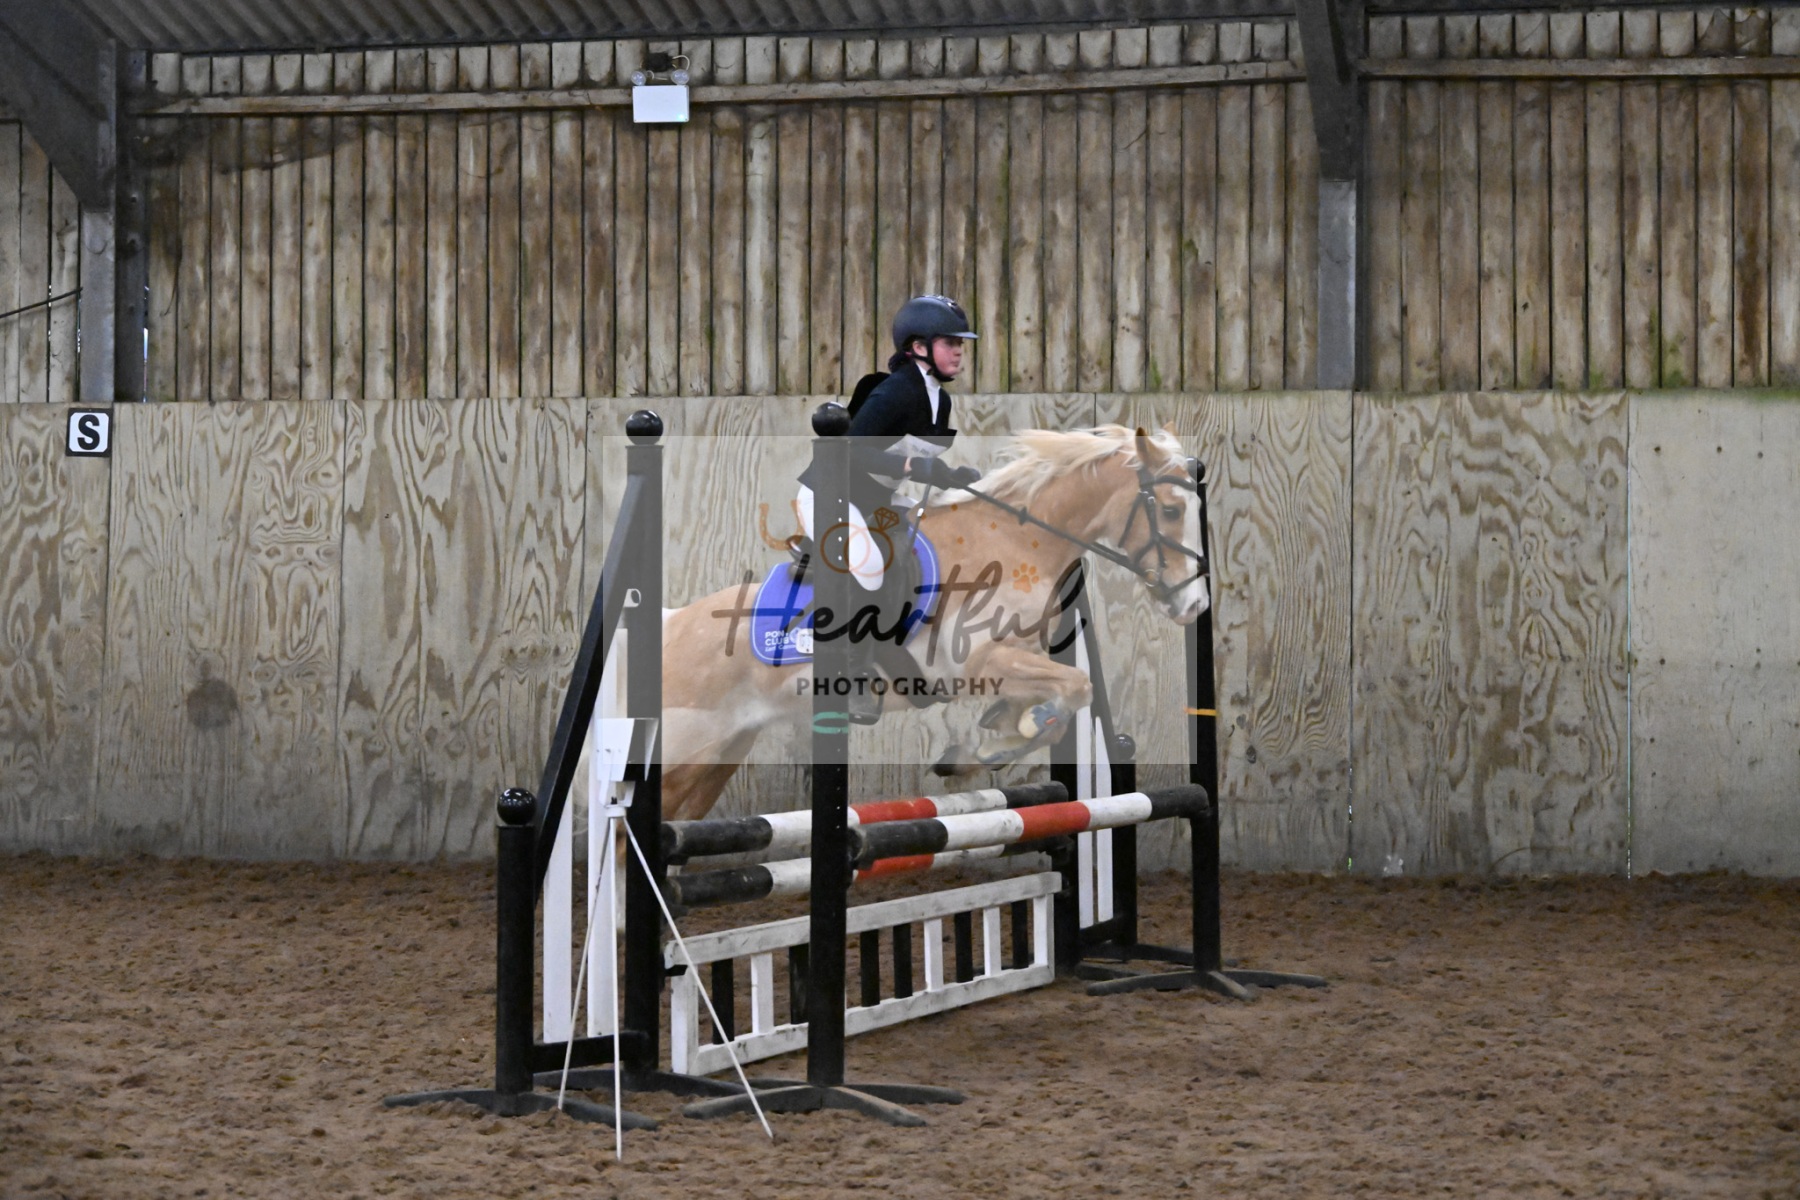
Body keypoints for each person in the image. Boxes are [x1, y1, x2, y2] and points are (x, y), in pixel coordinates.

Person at [796, 294, 984, 722]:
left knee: (932, 541)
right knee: (869, 566)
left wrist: (947, 475)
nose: (959, 351)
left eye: (961, 343)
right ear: (918, 347)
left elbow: (911, 455)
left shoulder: (939, 399)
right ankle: (851, 675)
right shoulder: (896, 391)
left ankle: (903, 645)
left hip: (877, 499)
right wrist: (912, 467)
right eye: (950, 342)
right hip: (830, 496)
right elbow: (848, 450)